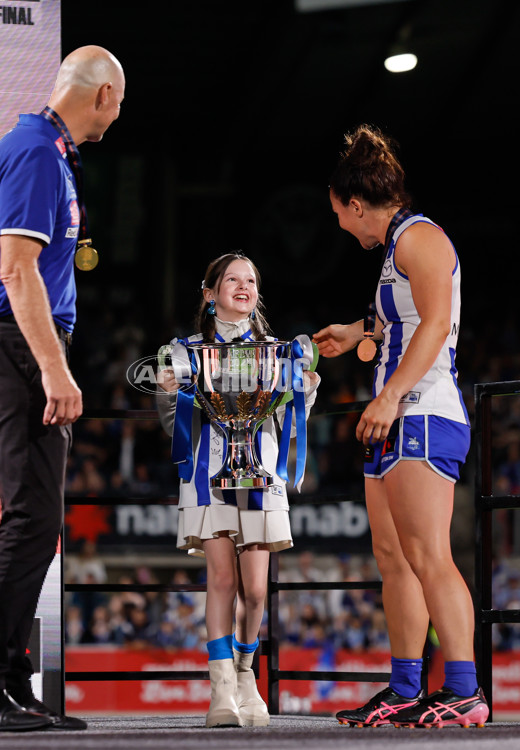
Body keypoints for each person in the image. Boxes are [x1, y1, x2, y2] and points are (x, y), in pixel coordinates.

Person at [0, 46, 125, 732]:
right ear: (104, 95)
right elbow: (18, 273)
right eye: (121, 101)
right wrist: (54, 367)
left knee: (38, 523)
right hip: (19, 346)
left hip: (20, 344)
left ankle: (9, 682)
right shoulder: (35, 154)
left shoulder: (45, 152)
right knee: (31, 520)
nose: (120, 112)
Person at [313, 125, 489, 728]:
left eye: (340, 214)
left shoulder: (420, 238)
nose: (342, 226)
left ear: (357, 204)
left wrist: (388, 396)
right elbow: (405, 324)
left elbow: (437, 325)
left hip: (421, 411)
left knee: (427, 554)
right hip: (395, 416)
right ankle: (406, 689)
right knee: (394, 557)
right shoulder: (394, 250)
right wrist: (355, 333)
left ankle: (464, 688)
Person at [157, 253, 320, 727]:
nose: (243, 286)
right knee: (222, 581)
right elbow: (174, 429)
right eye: (232, 279)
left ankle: (247, 676)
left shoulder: (279, 351)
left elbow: (289, 431)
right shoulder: (184, 352)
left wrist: (303, 393)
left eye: (250, 280)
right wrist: (170, 391)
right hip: (208, 479)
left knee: (254, 590)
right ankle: (221, 692)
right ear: (210, 293)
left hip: (262, 478)